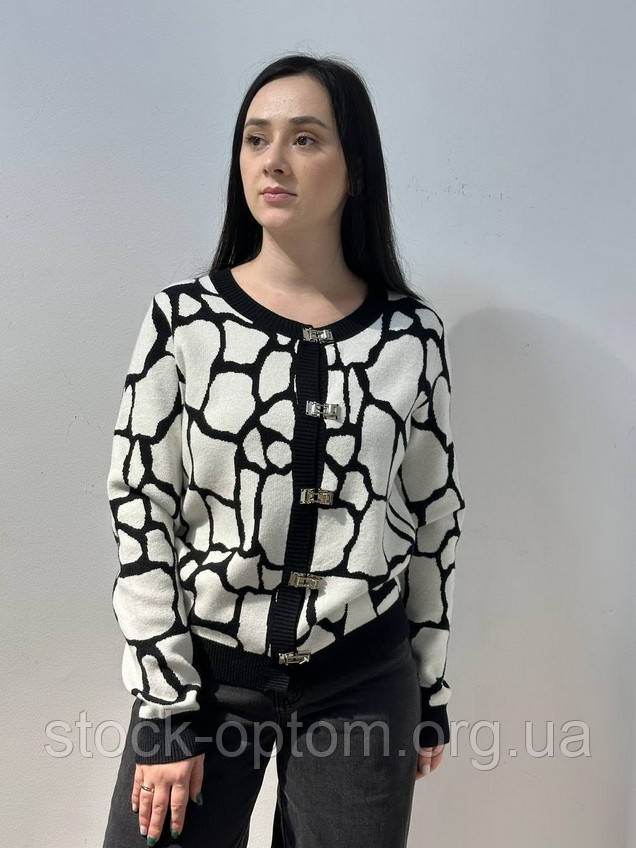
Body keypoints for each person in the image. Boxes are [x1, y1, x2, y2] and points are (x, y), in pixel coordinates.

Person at [102, 53, 466, 848]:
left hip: (362, 681)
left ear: (355, 169)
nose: (272, 160)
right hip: (206, 682)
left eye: (305, 138)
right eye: (255, 138)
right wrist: (165, 710)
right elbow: (140, 508)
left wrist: (430, 685)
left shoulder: (411, 336)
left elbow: (431, 514)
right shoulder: (184, 322)